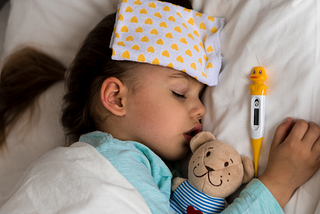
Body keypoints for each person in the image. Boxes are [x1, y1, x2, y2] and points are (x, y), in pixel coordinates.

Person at [0, 0, 319, 213]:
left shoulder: (145, 171)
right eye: (180, 92)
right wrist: (279, 181)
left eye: (199, 95)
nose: (201, 110)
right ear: (116, 98)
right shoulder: (109, 165)